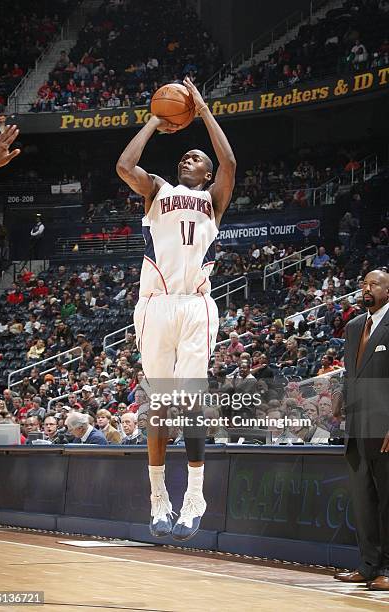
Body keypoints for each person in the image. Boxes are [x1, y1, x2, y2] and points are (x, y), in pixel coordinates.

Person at [116, 76, 236, 541]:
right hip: (154, 306)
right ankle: (158, 497)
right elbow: (125, 164)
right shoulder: (157, 190)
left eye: (197, 158)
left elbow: (229, 159)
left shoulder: (214, 200)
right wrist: (152, 120)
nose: (190, 157)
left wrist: (203, 111)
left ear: (205, 175)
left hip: (195, 305)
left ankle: (195, 495)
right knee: (159, 406)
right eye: (186, 154)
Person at [334, 270, 389, 590]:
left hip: (383, 428)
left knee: (387, 501)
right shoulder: (355, 326)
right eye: (363, 284)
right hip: (357, 426)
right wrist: (343, 396)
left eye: (374, 284)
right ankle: (368, 565)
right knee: (364, 501)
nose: (366, 288)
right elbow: (351, 372)